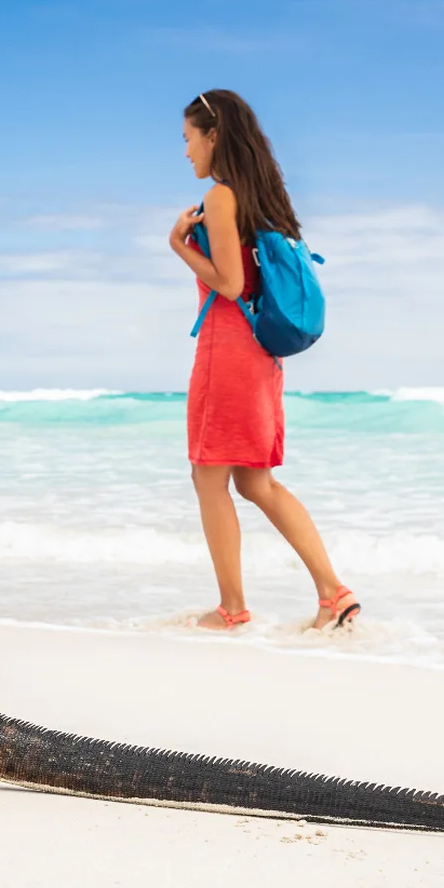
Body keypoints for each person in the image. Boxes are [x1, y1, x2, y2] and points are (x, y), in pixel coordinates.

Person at [169, 89, 360, 632]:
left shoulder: (224, 197)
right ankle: (333, 593)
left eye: (188, 139)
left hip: (227, 352)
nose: (186, 152)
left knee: (209, 480)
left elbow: (229, 284)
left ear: (213, 135)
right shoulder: (264, 198)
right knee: (256, 483)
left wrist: (179, 245)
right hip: (262, 357)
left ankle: (231, 610)